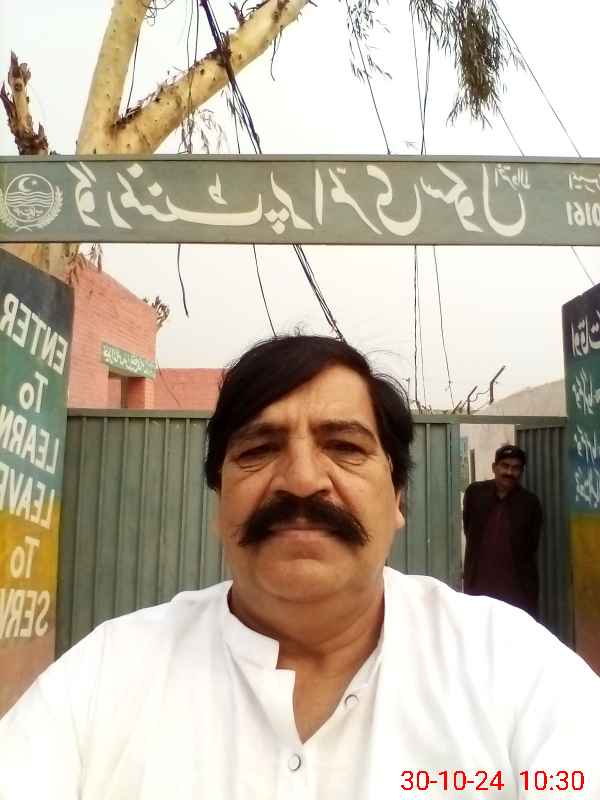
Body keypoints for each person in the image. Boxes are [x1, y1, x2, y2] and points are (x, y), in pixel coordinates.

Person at [0, 335, 598, 800]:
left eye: (345, 447)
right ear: (219, 503)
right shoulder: (103, 679)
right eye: (259, 450)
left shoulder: (514, 670)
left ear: (397, 499)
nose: (303, 479)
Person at [463, 444, 542, 618]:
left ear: (521, 472)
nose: (509, 472)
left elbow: (531, 546)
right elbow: (468, 529)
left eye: (515, 468)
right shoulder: (475, 493)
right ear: (494, 467)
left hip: (515, 591)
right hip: (479, 586)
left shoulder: (530, 503)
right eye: (505, 466)